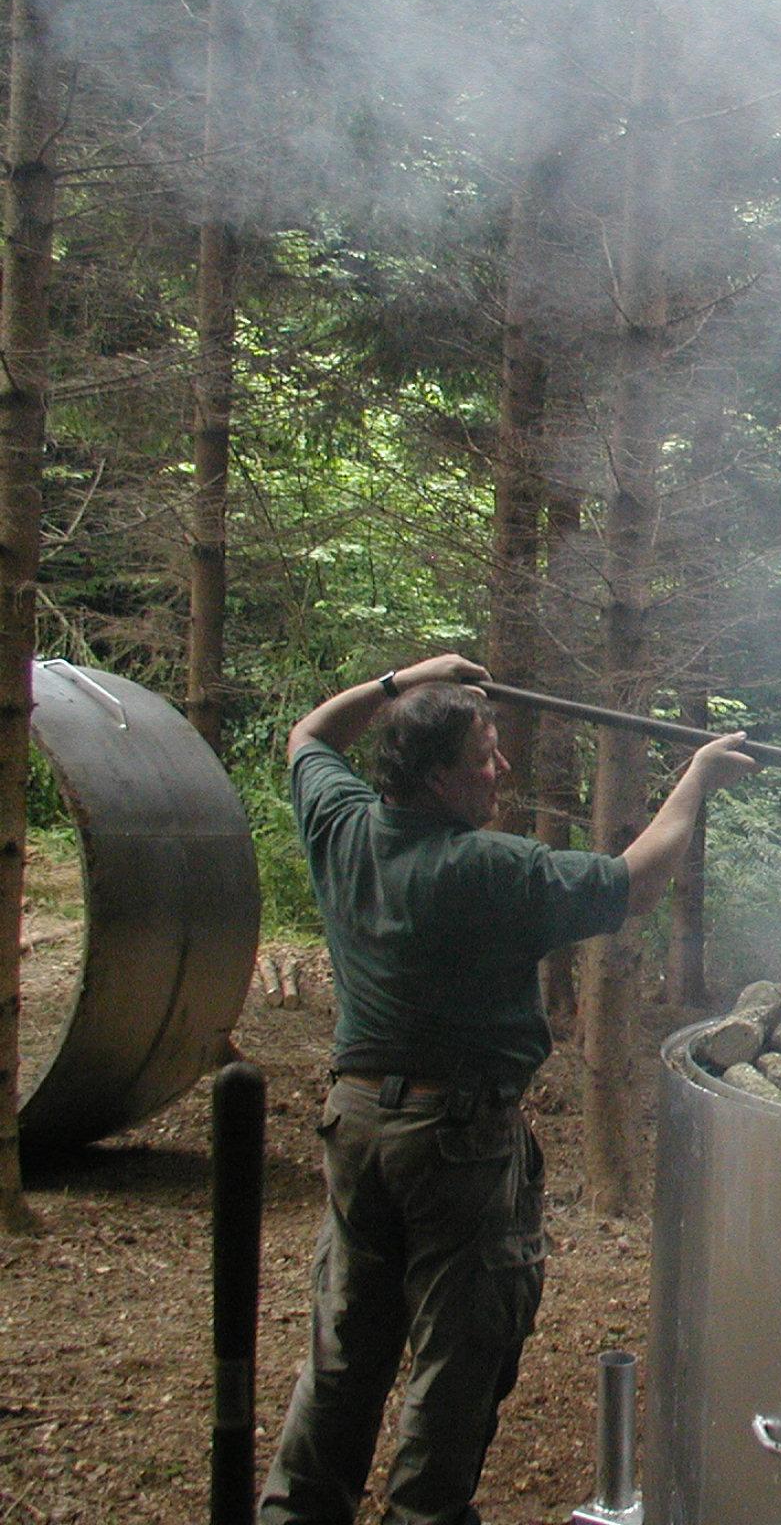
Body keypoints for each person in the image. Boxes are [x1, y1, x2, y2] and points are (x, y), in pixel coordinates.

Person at [257, 653, 753, 1525]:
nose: (504, 769)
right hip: (453, 1143)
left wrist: (397, 682)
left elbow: (309, 734)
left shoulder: (343, 826)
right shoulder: (482, 870)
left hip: (357, 1126)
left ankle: (296, 1514)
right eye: (486, 755)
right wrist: (697, 779)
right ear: (441, 777)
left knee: (345, 1354)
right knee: (461, 1359)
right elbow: (635, 884)